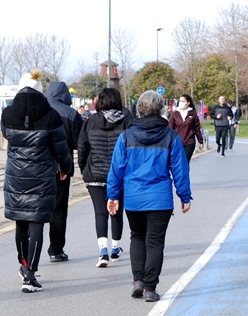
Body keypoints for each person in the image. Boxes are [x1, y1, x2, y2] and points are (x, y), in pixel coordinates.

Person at [106, 90, 191, 302]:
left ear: (139, 109)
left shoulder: (126, 136)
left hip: (134, 197)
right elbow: (179, 168)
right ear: (160, 109)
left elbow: (116, 168)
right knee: (155, 242)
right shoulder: (170, 136)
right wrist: (184, 195)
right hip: (160, 198)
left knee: (137, 236)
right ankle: (151, 288)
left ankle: (138, 281)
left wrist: (113, 196)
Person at [0, 69, 72, 292]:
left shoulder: (7, 114)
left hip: (16, 176)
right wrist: (65, 168)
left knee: (20, 222)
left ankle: (23, 264)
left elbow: (6, 135)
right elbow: (61, 149)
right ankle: (31, 274)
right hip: (42, 177)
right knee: (37, 223)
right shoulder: (51, 116)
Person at [77, 87, 130, 267]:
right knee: (116, 211)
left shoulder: (90, 121)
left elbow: (82, 147)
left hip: (95, 174)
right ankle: (115, 248)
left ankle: (103, 252)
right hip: (119, 175)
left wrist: (84, 169)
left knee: (100, 212)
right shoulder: (127, 120)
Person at [45, 80, 83, 262]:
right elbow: (79, 142)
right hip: (62, 167)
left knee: (34, 209)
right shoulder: (71, 114)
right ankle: (56, 249)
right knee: (59, 209)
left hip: (39, 168)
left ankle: (28, 252)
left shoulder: (41, 110)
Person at [168, 94, 204, 162]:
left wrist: (201, 141)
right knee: (178, 163)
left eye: (183, 101)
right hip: (177, 142)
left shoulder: (193, 114)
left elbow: (197, 129)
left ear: (188, 103)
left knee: (185, 162)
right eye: (180, 101)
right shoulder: (175, 114)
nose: (180, 102)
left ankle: (185, 172)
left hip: (189, 142)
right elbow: (170, 129)